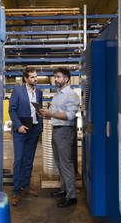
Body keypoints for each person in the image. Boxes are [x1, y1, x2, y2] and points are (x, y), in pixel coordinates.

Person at [39, 67, 80, 208]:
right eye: (55, 77)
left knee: (66, 164)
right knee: (59, 162)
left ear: (66, 79)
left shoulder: (71, 95)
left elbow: (69, 115)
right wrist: (45, 113)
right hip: (56, 130)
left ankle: (71, 196)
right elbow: (54, 113)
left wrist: (51, 114)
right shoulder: (57, 95)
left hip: (65, 131)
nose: (56, 79)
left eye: (58, 77)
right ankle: (64, 189)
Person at [8, 67, 43, 206]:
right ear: (26, 78)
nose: (35, 79)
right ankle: (17, 191)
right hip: (21, 130)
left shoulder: (39, 92)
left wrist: (40, 126)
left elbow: (39, 110)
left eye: (36, 76)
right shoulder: (18, 90)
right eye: (33, 77)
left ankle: (25, 185)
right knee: (19, 160)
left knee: (29, 159)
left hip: (34, 129)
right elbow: (12, 109)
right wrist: (18, 126)